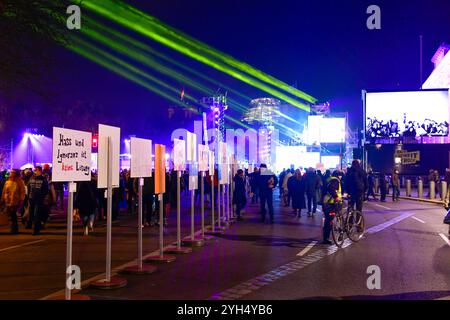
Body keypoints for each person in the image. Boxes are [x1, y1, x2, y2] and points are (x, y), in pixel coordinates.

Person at [1, 169, 26, 234]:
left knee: (13, 214)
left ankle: (14, 229)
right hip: (7, 200)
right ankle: (13, 228)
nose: (11, 173)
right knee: (10, 215)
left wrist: (21, 200)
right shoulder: (7, 181)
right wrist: (2, 198)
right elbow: (4, 190)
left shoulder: (19, 181)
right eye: (11, 172)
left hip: (15, 201)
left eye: (12, 172)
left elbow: (22, 191)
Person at [26, 166, 49, 235]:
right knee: (32, 214)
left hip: (39, 200)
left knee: (37, 214)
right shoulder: (32, 178)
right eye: (34, 170)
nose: (35, 171)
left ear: (40, 171)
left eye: (36, 170)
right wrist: (28, 197)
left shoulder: (43, 179)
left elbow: (45, 190)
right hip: (31, 199)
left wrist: (41, 196)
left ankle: (36, 230)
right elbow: (28, 187)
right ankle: (36, 226)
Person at [322, 171, 343, 245]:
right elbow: (331, 189)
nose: (341, 177)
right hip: (332, 203)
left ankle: (326, 237)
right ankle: (327, 238)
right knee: (330, 220)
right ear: (339, 176)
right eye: (341, 176)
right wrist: (336, 197)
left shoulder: (329, 179)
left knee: (328, 220)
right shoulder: (335, 180)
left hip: (326, 202)